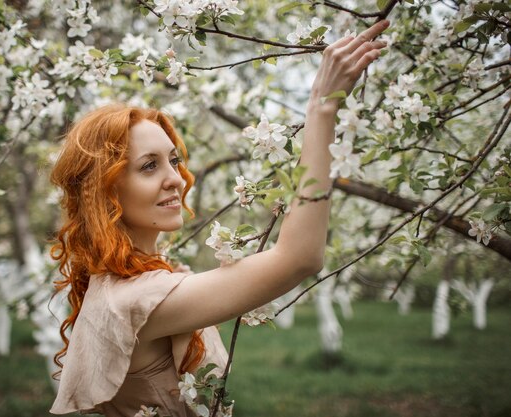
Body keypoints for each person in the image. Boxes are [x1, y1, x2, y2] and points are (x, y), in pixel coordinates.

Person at [49, 19, 390, 417]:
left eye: (173, 161)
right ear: (106, 190)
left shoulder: (133, 285)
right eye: (148, 166)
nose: (175, 179)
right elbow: (299, 258)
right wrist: (321, 107)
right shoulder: (132, 300)